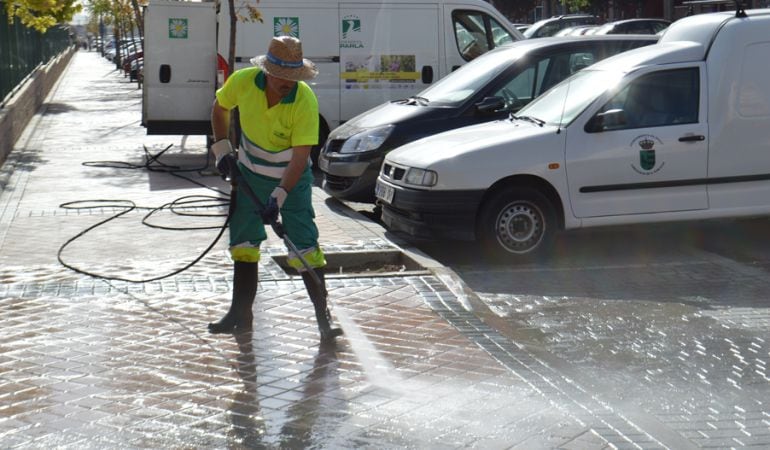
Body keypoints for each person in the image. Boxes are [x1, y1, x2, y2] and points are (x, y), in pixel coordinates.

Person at [208, 36, 342, 341]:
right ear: (267, 72)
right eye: (282, 77)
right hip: (250, 175)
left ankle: (324, 319)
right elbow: (219, 108)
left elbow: (299, 159)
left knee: (304, 245)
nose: (289, 83)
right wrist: (222, 152)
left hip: (291, 184)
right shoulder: (243, 81)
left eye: (294, 77)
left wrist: (278, 198)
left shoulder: (304, 100)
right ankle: (239, 314)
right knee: (243, 245)